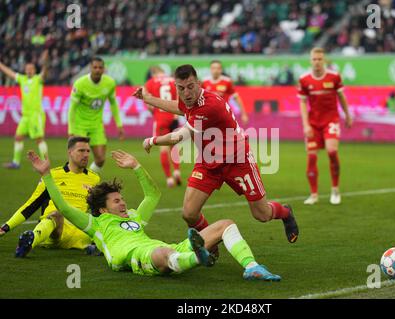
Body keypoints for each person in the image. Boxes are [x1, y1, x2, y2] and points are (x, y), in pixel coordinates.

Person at [27, 149, 282, 281]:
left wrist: (137, 167)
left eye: (122, 199)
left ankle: (252, 267)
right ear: (104, 208)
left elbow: (153, 196)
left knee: (225, 224)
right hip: (133, 256)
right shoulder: (96, 223)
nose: (123, 203)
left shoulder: (134, 217)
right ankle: (196, 257)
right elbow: (62, 206)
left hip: (161, 247)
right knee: (161, 255)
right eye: (117, 201)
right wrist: (46, 175)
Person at [133, 64, 299, 254]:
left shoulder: (208, 106)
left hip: (237, 160)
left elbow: (180, 136)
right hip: (208, 162)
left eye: (190, 87)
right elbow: (177, 107)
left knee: (261, 214)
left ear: (199, 84)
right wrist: (148, 98)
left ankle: (285, 212)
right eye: (181, 88)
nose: (186, 93)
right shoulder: (188, 102)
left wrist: (152, 140)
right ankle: (211, 243)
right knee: (189, 213)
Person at [0, 136, 101, 257]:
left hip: (78, 234)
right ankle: (29, 243)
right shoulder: (52, 175)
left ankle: (93, 246)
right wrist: (6, 227)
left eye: (88, 151)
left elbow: (98, 211)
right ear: (70, 152)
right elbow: (31, 205)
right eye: (81, 151)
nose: (86, 155)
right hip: (53, 231)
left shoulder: (94, 179)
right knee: (56, 215)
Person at [298, 47, 353, 205]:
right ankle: (314, 194)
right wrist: (306, 125)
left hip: (331, 120)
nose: (317, 62)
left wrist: (348, 115)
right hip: (313, 124)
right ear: (311, 60)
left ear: (324, 60)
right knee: (312, 156)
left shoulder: (334, 77)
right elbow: (302, 103)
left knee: (332, 151)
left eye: (319, 59)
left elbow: (341, 97)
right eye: (314, 59)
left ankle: (335, 189)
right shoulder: (304, 79)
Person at [68, 56, 125, 174]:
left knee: (100, 159)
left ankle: (88, 179)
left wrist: (119, 125)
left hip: (96, 125)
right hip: (80, 125)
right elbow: (72, 108)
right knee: (78, 159)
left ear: (104, 69)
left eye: (100, 67)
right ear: (90, 68)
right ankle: (75, 183)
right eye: (95, 67)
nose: (98, 70)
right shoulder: (80, 83)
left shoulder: (109, 83)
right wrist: (70, 130)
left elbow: (113, 104)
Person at [0, 51, 49, 169]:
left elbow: (45, 73)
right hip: (25, 116)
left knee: (39, 139)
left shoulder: (38, 79)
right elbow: (10, 73)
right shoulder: (22, 79)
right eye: (27, 68)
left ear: (34, 70)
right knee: (18, 137)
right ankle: (16, 163)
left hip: (35, 115)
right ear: (25, 70)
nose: (29, 70)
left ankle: (44, 163)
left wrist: (45, 63)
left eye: (31, 68)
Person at [144, 66, 182, 188]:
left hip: (160, 119)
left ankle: (169, 179)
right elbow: (179, 95)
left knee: (163, 149)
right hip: (174, 116)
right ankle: (177, 171)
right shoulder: (172, 80)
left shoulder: (150, 82)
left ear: (153, 73)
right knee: (174, 145)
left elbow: (147, 101)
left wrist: (152, 112)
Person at [202, 60, 249, 125]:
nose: (216, 70)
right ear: (210, 69)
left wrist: (244, 114)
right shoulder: (204, 82)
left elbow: (236, 97)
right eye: (213, 68)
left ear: (221, 70)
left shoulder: (227, 81)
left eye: (218, 68)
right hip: (209, 115)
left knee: (225, 133)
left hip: (224, 114)